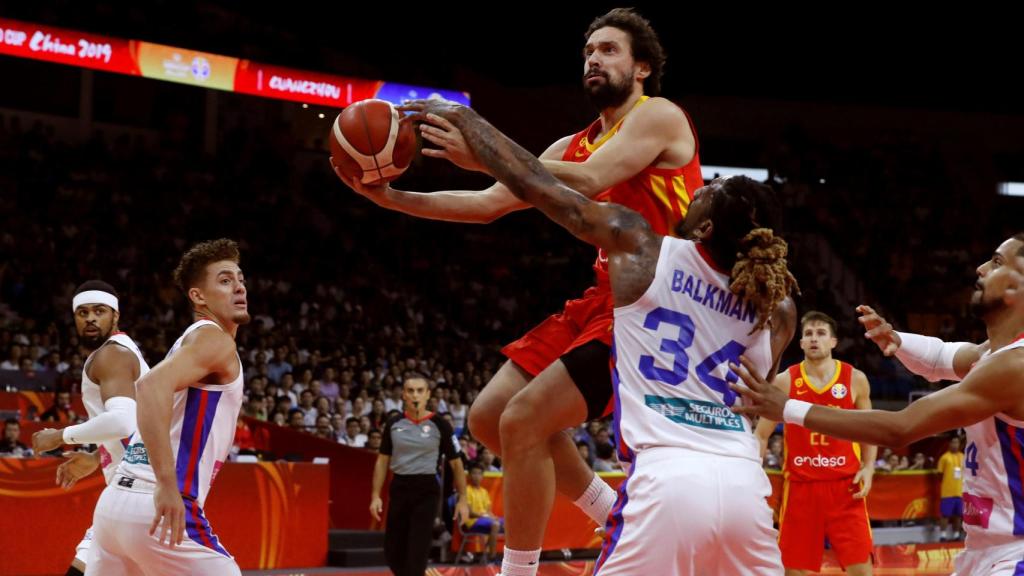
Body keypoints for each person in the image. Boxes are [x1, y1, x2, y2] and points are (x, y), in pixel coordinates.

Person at [336, 8, 703, 555]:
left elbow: (593, 178)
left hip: (657, 300)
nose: (593, 59)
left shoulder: (660, 116)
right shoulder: (569, 145)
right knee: (488, 417)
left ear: (642, 67)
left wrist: (490, 155)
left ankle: (520, 568)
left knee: (525, 419)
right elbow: (487, 205)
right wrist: (390, 198)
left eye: (608, 50)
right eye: (588, 51)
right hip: (603, 295)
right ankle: (614, 513)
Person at [407, 99, 798, 575]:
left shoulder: (647, 254)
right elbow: (763, 398)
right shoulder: (776, 309)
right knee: (504, 418)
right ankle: (599, 507)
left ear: (706, 226)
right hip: (744, 485)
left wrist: (472, 128)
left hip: (665, 481)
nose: (699, 186)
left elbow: (544, 187)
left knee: (523, 420)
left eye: (710, 190)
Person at [731, 233, 1024, 576]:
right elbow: (941, 357)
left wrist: (788, 409)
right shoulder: (991, 354)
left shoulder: (1014, 366)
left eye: (997, 262)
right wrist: (898, 340)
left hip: (1014, 551)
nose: (981, 268)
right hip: (984, 548)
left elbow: (899, 429)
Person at [84, 239, 249, 575]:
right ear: (198, 296)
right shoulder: (214, 340)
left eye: (240, 279)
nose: (239, 287)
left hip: (114, 505)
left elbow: (151, 411)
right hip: (156, 505)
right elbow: (149, 387)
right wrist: (166, 483)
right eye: (225, 280)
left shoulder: (189, 341)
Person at [32, 281, 150, 576]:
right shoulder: (123, 351)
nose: (90, 318)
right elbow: (137, 426)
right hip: (136, 482)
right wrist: (98, 457)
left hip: (138, 488)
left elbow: (122, 421)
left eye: (99, 311)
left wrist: (59, 436)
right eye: (82, 313)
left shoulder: (111, 355)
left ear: (116, 315)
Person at [753, 311, 876, 575]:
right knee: (795, 570)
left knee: (861, 569)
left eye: (821, 333)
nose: (813, 339)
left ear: (833, 342)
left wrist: (869, 466)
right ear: (800, 343)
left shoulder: (855, 379)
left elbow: (870, 429)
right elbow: (761, 434)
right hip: (801, 486)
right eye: (808, 334)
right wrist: (752, 474)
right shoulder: (785, 381)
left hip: (845, 486)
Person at [370, 374, 470, 576]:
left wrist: (463, 498)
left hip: (426, 489)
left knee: (418, 547)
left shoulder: (441, 424)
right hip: (399, 487)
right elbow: (382, 461)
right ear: (403, 395)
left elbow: (456, 463)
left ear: (428, 395)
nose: (415, 395)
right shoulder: (394, 423)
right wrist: (375, 495)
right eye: (410, 391)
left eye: (420, 391)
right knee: (392, 551)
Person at [464, 462, 504, 563]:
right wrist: (487, 517)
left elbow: (488, 511)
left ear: (482, 476)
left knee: (507, 522)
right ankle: (492, 557)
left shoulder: (484, 492)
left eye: (479, 474)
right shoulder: (466, 491)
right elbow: (470, 513)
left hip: (486, 520)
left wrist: (492, 517)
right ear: (470, 475)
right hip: (472, 521)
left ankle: (485, 555)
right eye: (474, 473)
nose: (476, 476)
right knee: (495, 524)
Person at [937, 435, 965, 541]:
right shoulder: (944, 457)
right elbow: (939, 474)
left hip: (960, 491)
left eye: (957, 442)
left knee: (959, 515)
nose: (955, 445)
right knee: (945, 514)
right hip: (947, 492)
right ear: (949, 444)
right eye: (953, 442)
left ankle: (956, 535)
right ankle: (943, 535)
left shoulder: (963, 457)